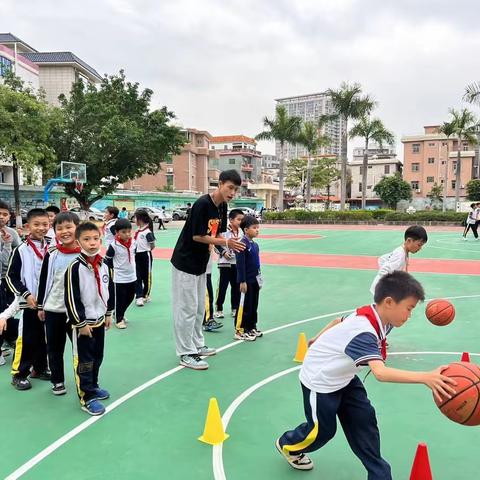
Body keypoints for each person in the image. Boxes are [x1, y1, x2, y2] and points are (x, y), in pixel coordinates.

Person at [275, 271, 456, 477]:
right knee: (322, 432)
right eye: (409, 308)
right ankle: (288, 444)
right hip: (320, 380)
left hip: (344, 376)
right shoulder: (364, 331)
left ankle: (379, 473)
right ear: (389, 302)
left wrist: (317, 338)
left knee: (364, 421)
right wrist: (426, 377)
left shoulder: (375, 315)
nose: (410, 315)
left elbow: (338, 321)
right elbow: (380, 373)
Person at [171, 170, 245, 370]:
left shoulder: (222, 206)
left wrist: (226, 246)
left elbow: (217, 232)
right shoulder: (202, 204)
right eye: (230, 187)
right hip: (185, 262)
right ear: (220, 184)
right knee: (186, 308)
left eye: (236, 190)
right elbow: (197, 236)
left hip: (202, 262)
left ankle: (197, 344)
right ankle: (186, 353)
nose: (232, 192)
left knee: (198, 308)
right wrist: (225, 241)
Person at [64, 222, 114, 415]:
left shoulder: (104, 264)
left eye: (95, 239)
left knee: (97, 356)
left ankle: (93, 385)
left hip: (100, 320)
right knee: (84, 360)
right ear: (78, 242)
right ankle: (87, 397)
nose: (92, 243)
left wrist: (109, 312)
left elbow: (109, 290)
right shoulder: (75, 268)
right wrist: (80, 322)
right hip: (82, 325)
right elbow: (71, 298)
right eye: (87, 239)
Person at [6, 208, 50, 390]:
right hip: (29, 303)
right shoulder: (21, 250)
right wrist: (26, 294)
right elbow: (11, 276)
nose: (41, 228)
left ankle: (39, 369)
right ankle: (19, 373)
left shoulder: (52, 247)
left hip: (49, 304)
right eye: (36, 224)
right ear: (27, 227)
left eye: (45, 224)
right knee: (27, 339)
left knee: (44, 338)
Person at [37, 211, 81, 395]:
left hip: (78, 313)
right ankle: (58, 381)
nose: (64, 231)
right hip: (54, 309)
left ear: (77, 228)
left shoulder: (85, 253)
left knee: (82, 350)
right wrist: (41, 305)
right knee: (54, 348)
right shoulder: (52, 253)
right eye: (59, 228)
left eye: (69, 227)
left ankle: (86, 382)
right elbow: (44, 280)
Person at [369, 225, 427, 295]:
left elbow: (382, 259)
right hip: (382, 292)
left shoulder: (403, 252)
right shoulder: (400, 254)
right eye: (419, 245)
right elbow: (384, 271)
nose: (420, 248)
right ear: (409, 240)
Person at [234, 215, 262, 341]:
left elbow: (257, 263)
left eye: (258, 227)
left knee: (253, 305)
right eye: (254, 227)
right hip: (246, 281)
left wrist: (259, 279)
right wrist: (242, 281)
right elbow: (240, 265)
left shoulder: (255, 245)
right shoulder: (241, 244)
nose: (257, 230)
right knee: (244, 305)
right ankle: (240, 330)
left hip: (255, 280)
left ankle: (251, 327)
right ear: (246, 230)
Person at [105, 218, 136, 329]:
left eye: (129, 231)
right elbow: (107, 259)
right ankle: (119, 319)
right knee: (120, 299)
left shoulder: (133, 243)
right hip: (119, 277)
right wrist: (114, 269)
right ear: (117, 232)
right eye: (123, 232)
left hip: (132, 276)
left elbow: (134, 256)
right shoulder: (113, 246)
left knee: (130, 297)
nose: (127, 234)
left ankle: (119, 313)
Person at [0, 201, 21, 364]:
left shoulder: (12, 233)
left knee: (9, 311)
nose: (2, 217)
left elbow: (17, 257)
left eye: (5, 214)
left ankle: (10, 338)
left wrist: (8, 243)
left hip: (6, 281)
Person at [214, 209, 244, 320]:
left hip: (236, 263)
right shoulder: (223, 231)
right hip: (224, 263)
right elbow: (216, 244)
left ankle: (234, 308)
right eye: (238, 219)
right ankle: (219, 308)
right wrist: (223, 252)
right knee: (222, 286)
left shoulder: (241, 231)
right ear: (231, 220)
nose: (240, 222)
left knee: (236, 287)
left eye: (242, 219)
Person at [134, 210, 155, 307]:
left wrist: (146, 250)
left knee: (146, 276)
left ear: (140, 219)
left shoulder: (147, 232)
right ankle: (139, 296)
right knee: (137, 276)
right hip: (136, 255)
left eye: (135, 218)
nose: (134, 220)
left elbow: (152, 245)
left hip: (145, 255)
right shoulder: (138, 231)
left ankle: (145, 295)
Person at [203, 248, 223, 332]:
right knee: (207, 297)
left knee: (208, 297)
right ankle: (208, 321)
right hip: (202, 272)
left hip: (207, 272)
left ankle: (207, 319)